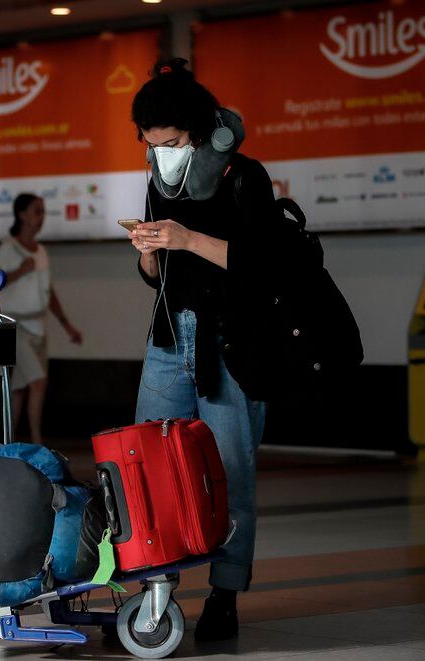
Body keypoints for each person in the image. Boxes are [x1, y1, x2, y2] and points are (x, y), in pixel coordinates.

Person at [128, 59, 287, 642]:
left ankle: (225, 594)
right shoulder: (157, 180)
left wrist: (188, 238)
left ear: (199, 130)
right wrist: (148, 252)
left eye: (169, 143)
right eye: (151, 145)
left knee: (230, 475)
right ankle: (153, 592)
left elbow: (264, 268)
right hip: (170, 339)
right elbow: (159, 276)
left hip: (233, 344)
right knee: (146, 466)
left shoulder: (245, 177)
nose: (161, 154)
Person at [0, 193, 82, 445]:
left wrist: (67, 325)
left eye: (43, 212)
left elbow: (48, 291)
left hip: (38, 325)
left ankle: (7, 440)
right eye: (36, 211)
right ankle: (36, 440)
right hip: (14, 325)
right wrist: (20, 271)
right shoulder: (8, 248)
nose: (40, 217)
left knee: (20, 388)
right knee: (38, 381)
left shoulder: (41, 250)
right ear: (21, 215)